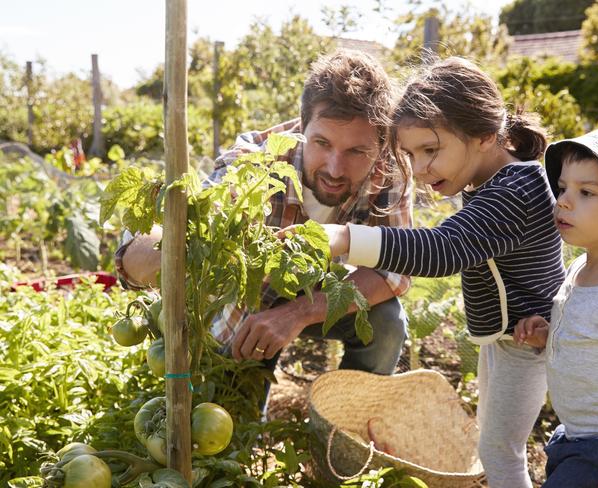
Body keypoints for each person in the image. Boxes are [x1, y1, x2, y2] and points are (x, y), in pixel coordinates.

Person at [316, 56, 566, 488]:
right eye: (411, 154)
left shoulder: (515, 191)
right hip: (510, 340)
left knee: (499, 453)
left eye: (431, 150)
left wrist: (343, 237)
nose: (420, 167)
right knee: (496, 442)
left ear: (486, 135)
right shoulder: (495, 184)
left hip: (529, 342)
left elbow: (442, 250)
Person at [115, 50, 412, 388]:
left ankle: (346, 424)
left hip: (322, 293)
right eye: (322, 143)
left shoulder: (391, 169)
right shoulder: (258, 160)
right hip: (251, 304)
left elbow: (394, 268)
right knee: (234, 412)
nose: (334, 168)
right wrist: (160, 249)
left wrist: (297, 313)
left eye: (356, 152)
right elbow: (175, 232)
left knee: (387, 322)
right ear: (302, 126)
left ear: (380, 143)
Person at [513, 120, 598, 488]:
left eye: (586, 192)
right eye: (562, 188)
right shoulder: (579, 268)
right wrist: (551, 334)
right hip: (573, 437)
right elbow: (594, 339)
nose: (564, 200)